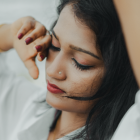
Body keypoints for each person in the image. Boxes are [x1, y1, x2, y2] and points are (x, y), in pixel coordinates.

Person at [0, 0, 140, 140]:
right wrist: (9, 35)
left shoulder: (127, 133)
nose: (52, 71)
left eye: (81, 63)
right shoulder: (31, 108)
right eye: (54, 46)